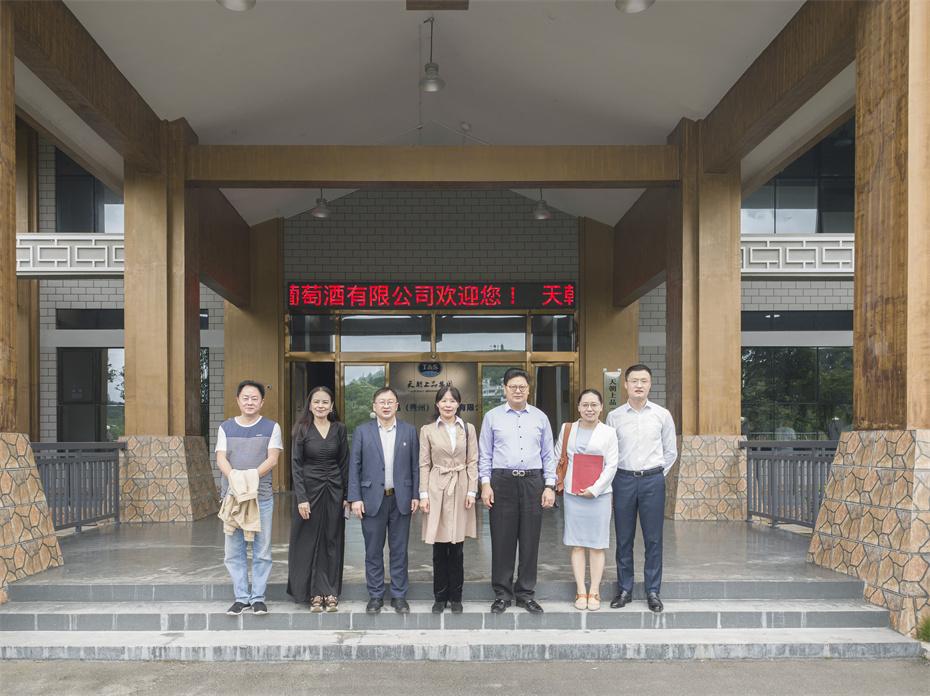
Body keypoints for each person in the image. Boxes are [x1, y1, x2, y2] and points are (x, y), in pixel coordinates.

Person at [479, 368, 556, 615]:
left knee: (530, 539)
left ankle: (525, 593)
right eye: (513, 386)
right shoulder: (492, 417)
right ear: (505, 389)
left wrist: (549, 485)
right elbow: (485, 454)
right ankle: (502, 594)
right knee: (502, 539)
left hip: (533, 481)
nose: (518, 390)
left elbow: (548, 455)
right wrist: (485, 484)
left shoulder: (540, 418)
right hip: (502, 481)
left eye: (522, 386)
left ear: (529, 389)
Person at [606, 364, 677, 613]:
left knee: (653, 539)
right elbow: (610, 452)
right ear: (625, 384)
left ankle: (653, 591)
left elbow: (671, 451)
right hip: (623, 480)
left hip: (652, 481)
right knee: (623, 538)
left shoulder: (662, 415)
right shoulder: (614, 416)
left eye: (643, 381)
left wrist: (656, 475)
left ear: (650, 384)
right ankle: (624, 589)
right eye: (634, 381)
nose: (639, 385)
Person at [347, 387, 419, 615]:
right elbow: (354, 466)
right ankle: (376, 595)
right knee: (373, 550)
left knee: (399, 550)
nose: (386, 406)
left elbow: (415, 466)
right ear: (374, 406)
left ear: (397, 405)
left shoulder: (409, 431)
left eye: (390, 402)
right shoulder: (362, 431)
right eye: (381, 402)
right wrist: (355, 498)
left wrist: (416, 494)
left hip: (401, 498)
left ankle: (399, 595)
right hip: (371, 500)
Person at [216, 380, 284, 617]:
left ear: (262, 402)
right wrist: (235, 478)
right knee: (233, 550)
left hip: (260, 497)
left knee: (261, 550)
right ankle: (241, 598)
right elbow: (221, 458)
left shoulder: (271, 427)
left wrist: (250, 477)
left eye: (255, 398)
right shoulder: (225, 427)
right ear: (238, 400)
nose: (250, 402)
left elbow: (272, 459)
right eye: (245, 398)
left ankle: (258, 598)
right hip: (233, 498)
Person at [555, 389, 619, 611]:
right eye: (585, 405)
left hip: (599, 496)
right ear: (578, 407)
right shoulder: (568, 429)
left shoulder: (609, 433)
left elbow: (612, 465)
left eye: (594, 405)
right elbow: (558, 457)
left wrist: (595, 489)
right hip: (573, 495)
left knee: (597, 544)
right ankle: (581, 590)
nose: (589, 409)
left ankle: (595, 591)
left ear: (601, 407)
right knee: (577, 544)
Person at [286, 386, 349, 612]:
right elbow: (296, 465)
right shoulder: (302, 429)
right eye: (317, 402)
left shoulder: (339, 429)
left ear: (331, 406)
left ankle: (330, 591)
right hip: (309, 491)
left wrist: (347, 495)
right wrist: (301, 498)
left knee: (332, 540)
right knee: (308, 541)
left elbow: (344, 463)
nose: (321, 406)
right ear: (310, 405)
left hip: (334, 490)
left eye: (325, 402)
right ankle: (312, 593)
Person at [419, 386, 479, 615]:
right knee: (439, 546)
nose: (448, 405)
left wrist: (472, 491)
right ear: (437, 404)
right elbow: (424, 464)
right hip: (437, 488)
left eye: (452, 401)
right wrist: (423, 494)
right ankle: (439, 596)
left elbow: (472, 461)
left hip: (461, 487)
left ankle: (456, 597)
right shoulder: (427, 430)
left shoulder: (468, 429)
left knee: (457, 547)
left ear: (458, 404)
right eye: (444, 400)